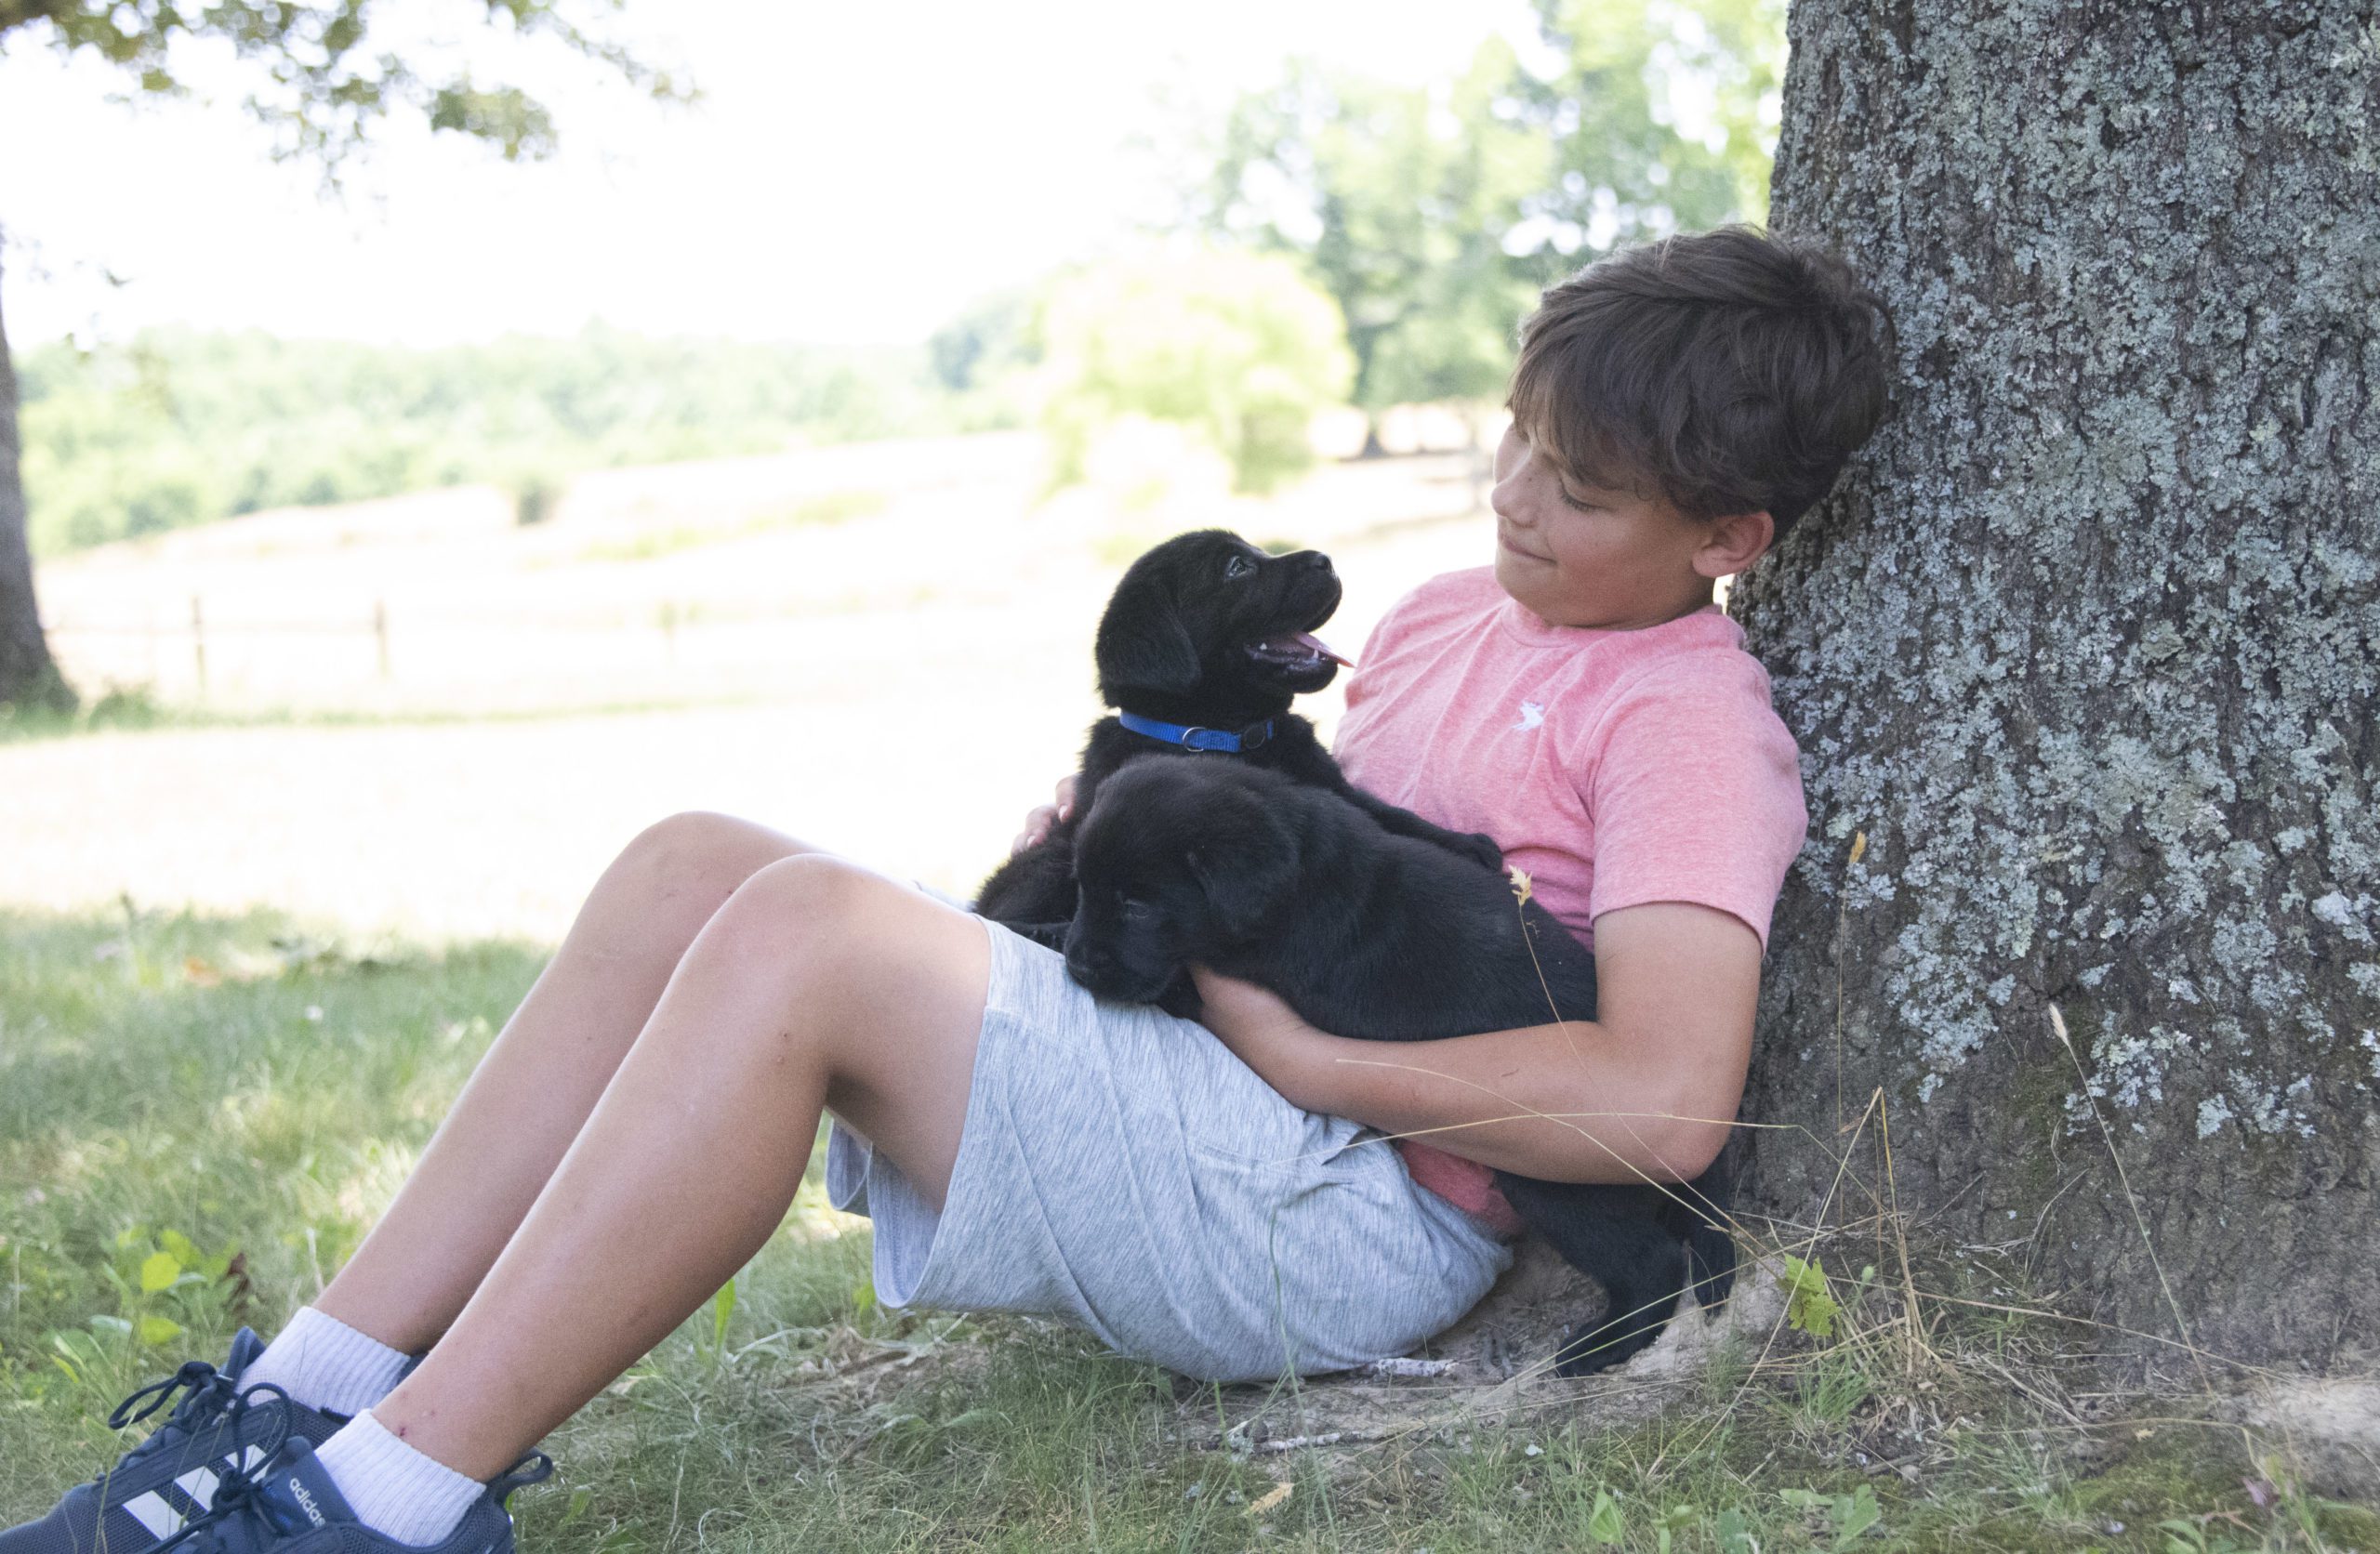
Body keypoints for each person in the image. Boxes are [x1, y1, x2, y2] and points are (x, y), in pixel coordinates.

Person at [3, 224, 1889, 1552]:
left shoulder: (1687, 722)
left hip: (1351, 1199)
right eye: (1517, 441)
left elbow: (1662, 1094)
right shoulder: (1431, 616)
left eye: (1580, 490)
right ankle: (309, 1394)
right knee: (691, 869)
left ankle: (380, 1506)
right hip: (1215, 1082)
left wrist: (1317, 1064)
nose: (1511, 497)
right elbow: (1303, 837)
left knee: (805, 936)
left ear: (1726, 536)